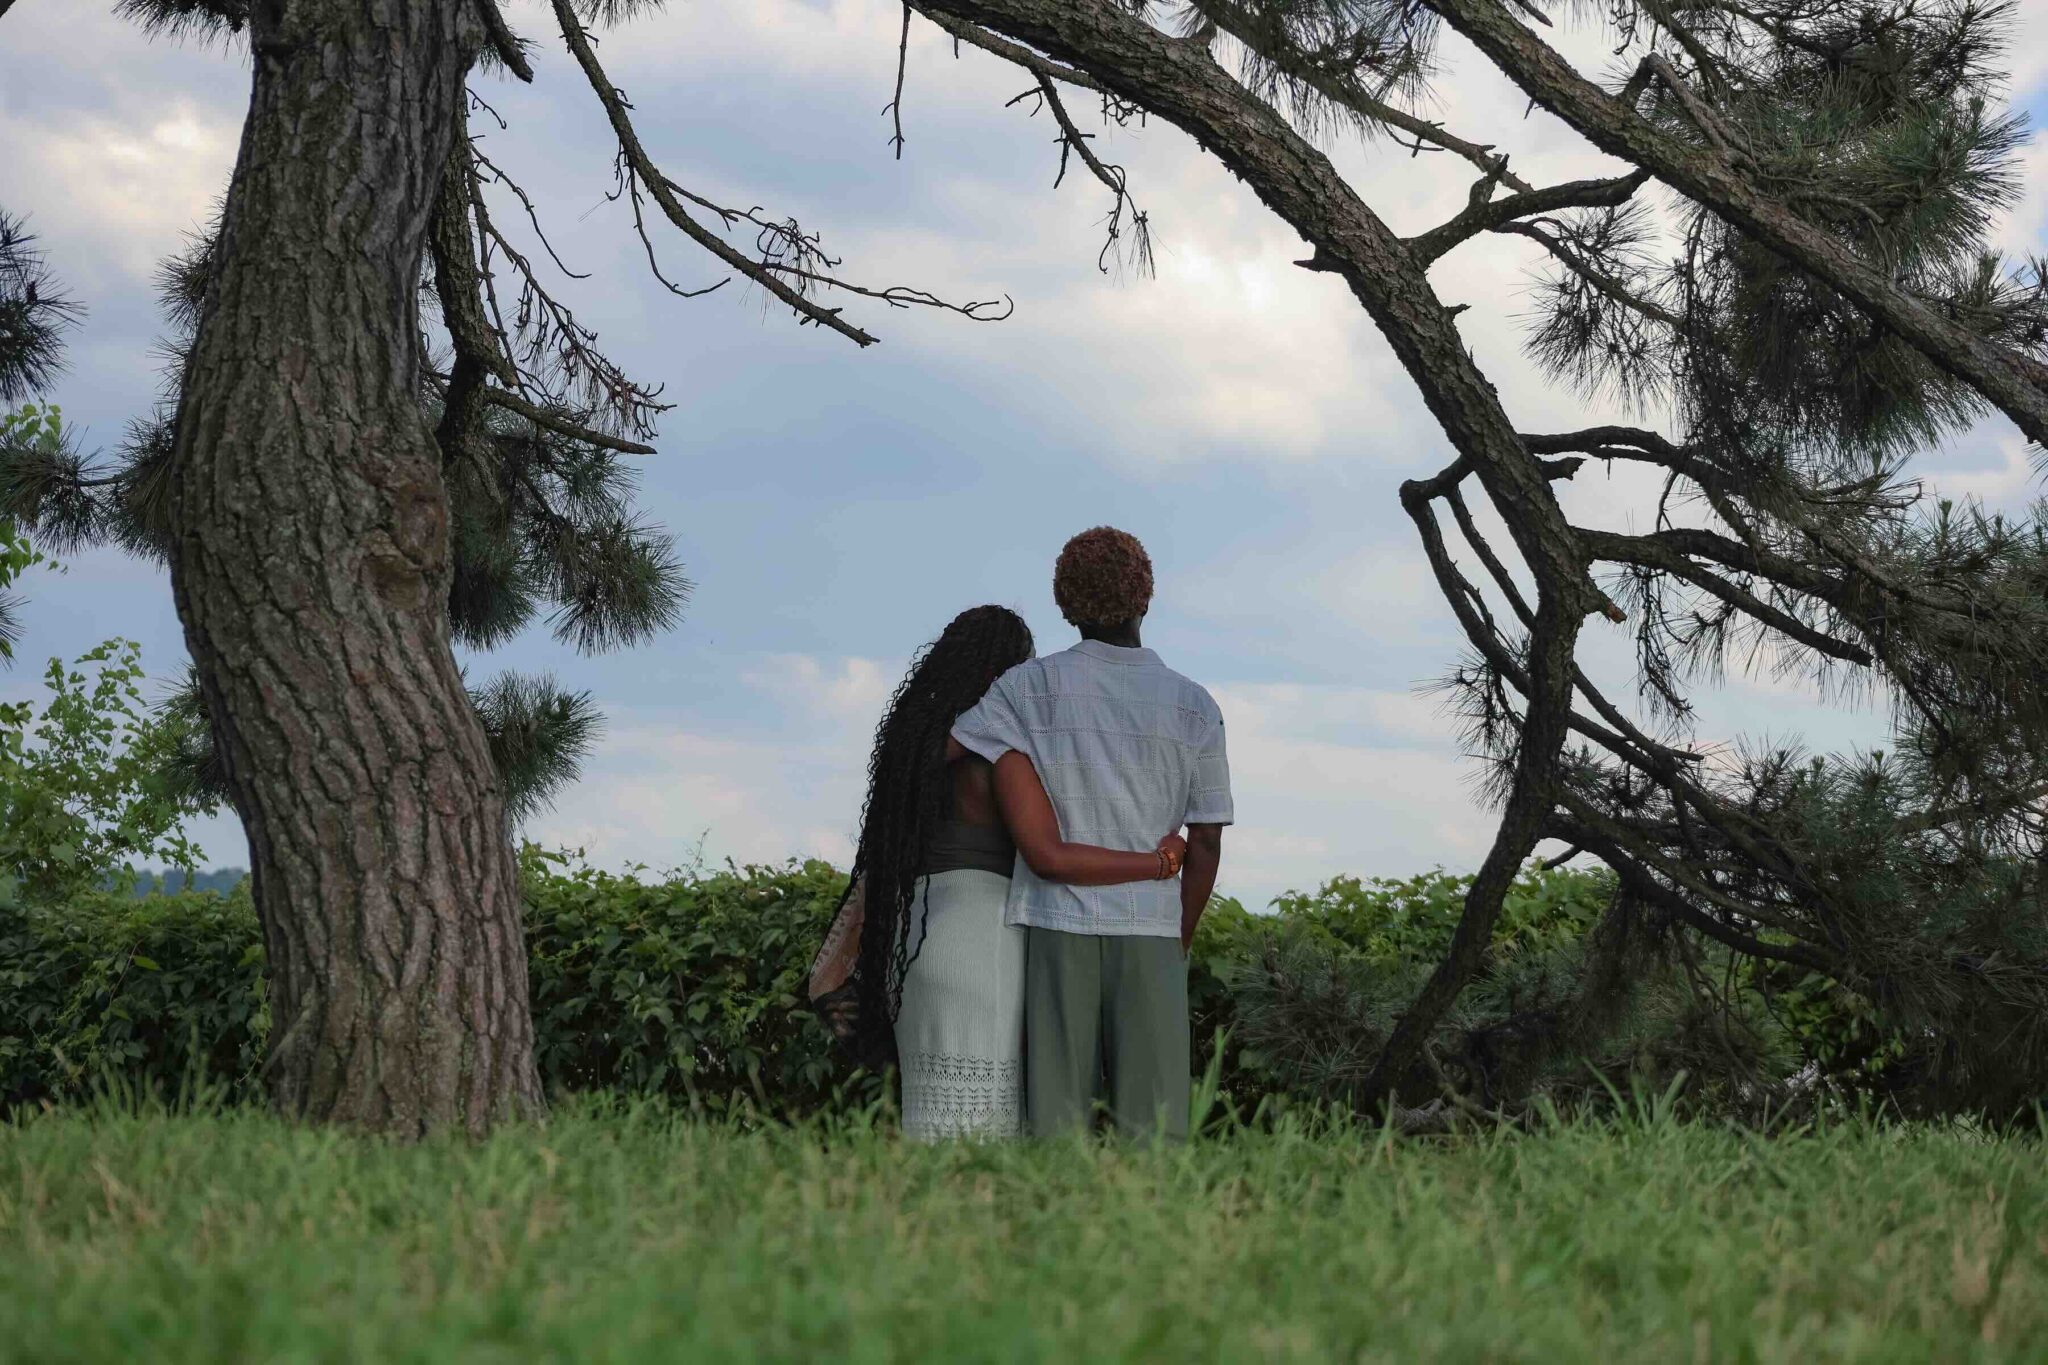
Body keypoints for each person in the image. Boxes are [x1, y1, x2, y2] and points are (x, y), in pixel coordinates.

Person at [808, 605, 1186, 1141]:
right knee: (987, 1134)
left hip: (913, 948)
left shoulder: (912, 752)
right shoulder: (1002, 755)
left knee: (930, 1126)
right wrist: (1159, 862)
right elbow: (1049, 855)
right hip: (983, 942)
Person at [951, 528, 1231, 1140]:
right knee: (1155, 1132)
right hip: (1151, 927)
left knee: (1055, 1124)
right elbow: (1206, 840)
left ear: (1065, 605)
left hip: (1056, 923)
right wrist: (1179, 935)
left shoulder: (1027, 688)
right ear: (1146, 598)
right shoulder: (1194, 705)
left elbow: (953, 748)